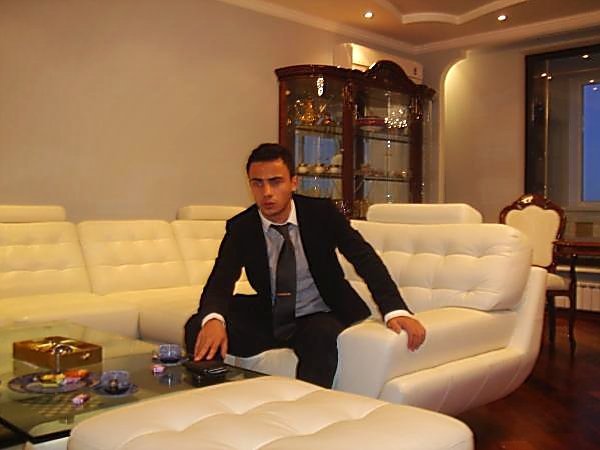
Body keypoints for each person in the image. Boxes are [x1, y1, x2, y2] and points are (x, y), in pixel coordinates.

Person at [185, 143, 426, 388]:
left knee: (321, 337)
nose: (266, 192)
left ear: (293, 182)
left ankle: (308, 406)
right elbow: (221, 279)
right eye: (257, 183)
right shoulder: (241, 227)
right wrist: (213, 319)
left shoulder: (321, 214)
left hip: (318, 314)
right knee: (199, 325)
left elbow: (364, 258)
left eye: (275, 182)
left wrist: (395, 310)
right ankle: (212, 396)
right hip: (270, 316)